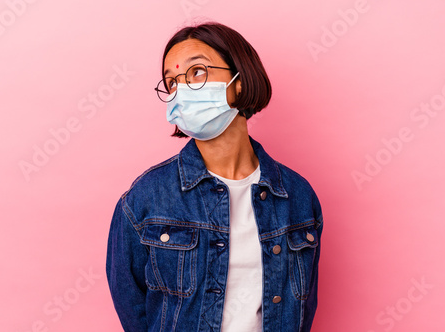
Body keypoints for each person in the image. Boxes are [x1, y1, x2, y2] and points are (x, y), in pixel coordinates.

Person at [106, 22, 323, 332]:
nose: (181, 90)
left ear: (238, 81)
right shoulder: (144, 199)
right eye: (171, 82)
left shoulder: (298, 197)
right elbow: (133, 307)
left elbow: (303, 307)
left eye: (197, 72)